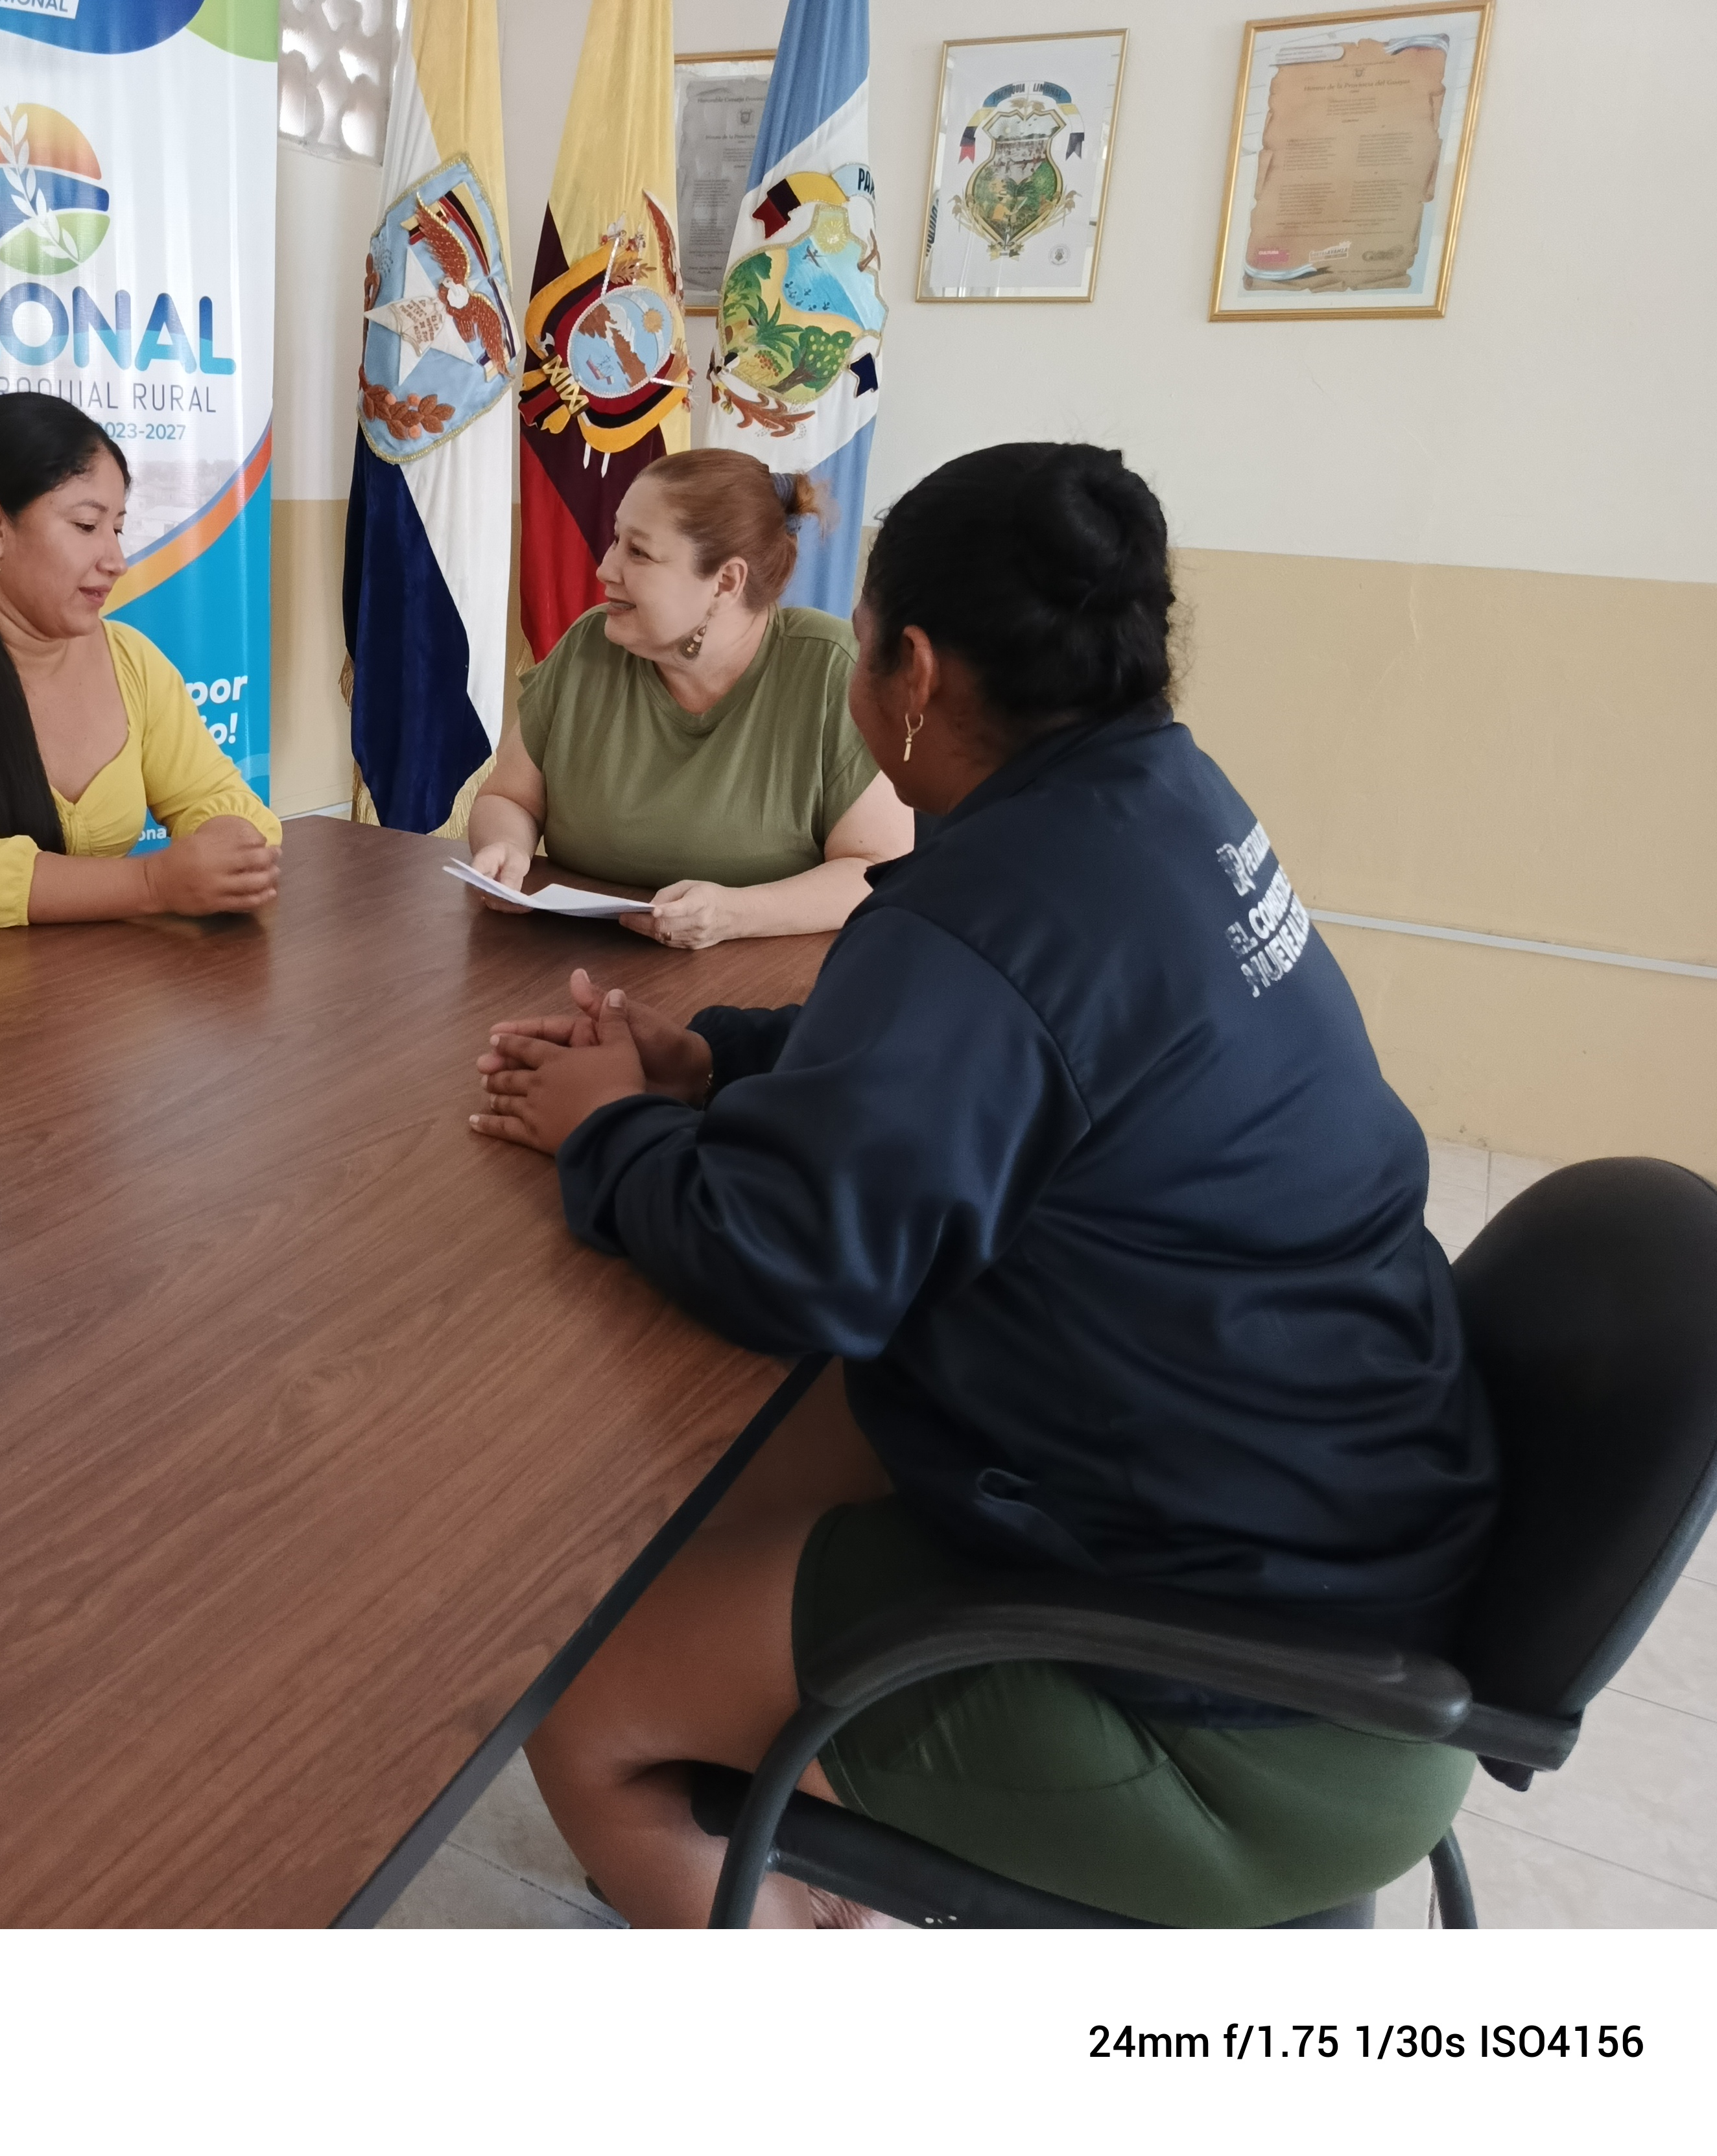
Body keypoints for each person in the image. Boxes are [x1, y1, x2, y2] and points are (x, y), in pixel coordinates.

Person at [466, 443, 1498, 1928]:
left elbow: (787, 1265)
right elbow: (989, 1060)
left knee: (568, 1697)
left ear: (916, 674)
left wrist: (605, 1127)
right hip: (1348, 1554)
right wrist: (713, 1061)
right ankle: (801, 1829)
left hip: (1247, 1710)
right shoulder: (1162, 800)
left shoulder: (979, 910)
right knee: (702, 1496)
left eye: (860, 641)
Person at [0, 394, 281, 932]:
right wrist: (154, 884)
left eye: (117, 529)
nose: (116, 561)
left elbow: (227, 802)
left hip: (70, 976)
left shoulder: (130, 659)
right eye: (86, 526)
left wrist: (228, 846)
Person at [463, 449, 910, 949]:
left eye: (639, 552)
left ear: (726, 582)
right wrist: (506, 847)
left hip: (763, 978)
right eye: (616, 540)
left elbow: (878, 870)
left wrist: (733, 915)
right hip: (564, 960)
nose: (605, 568)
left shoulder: (832, 668)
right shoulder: (588, 644)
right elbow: (509, 798)